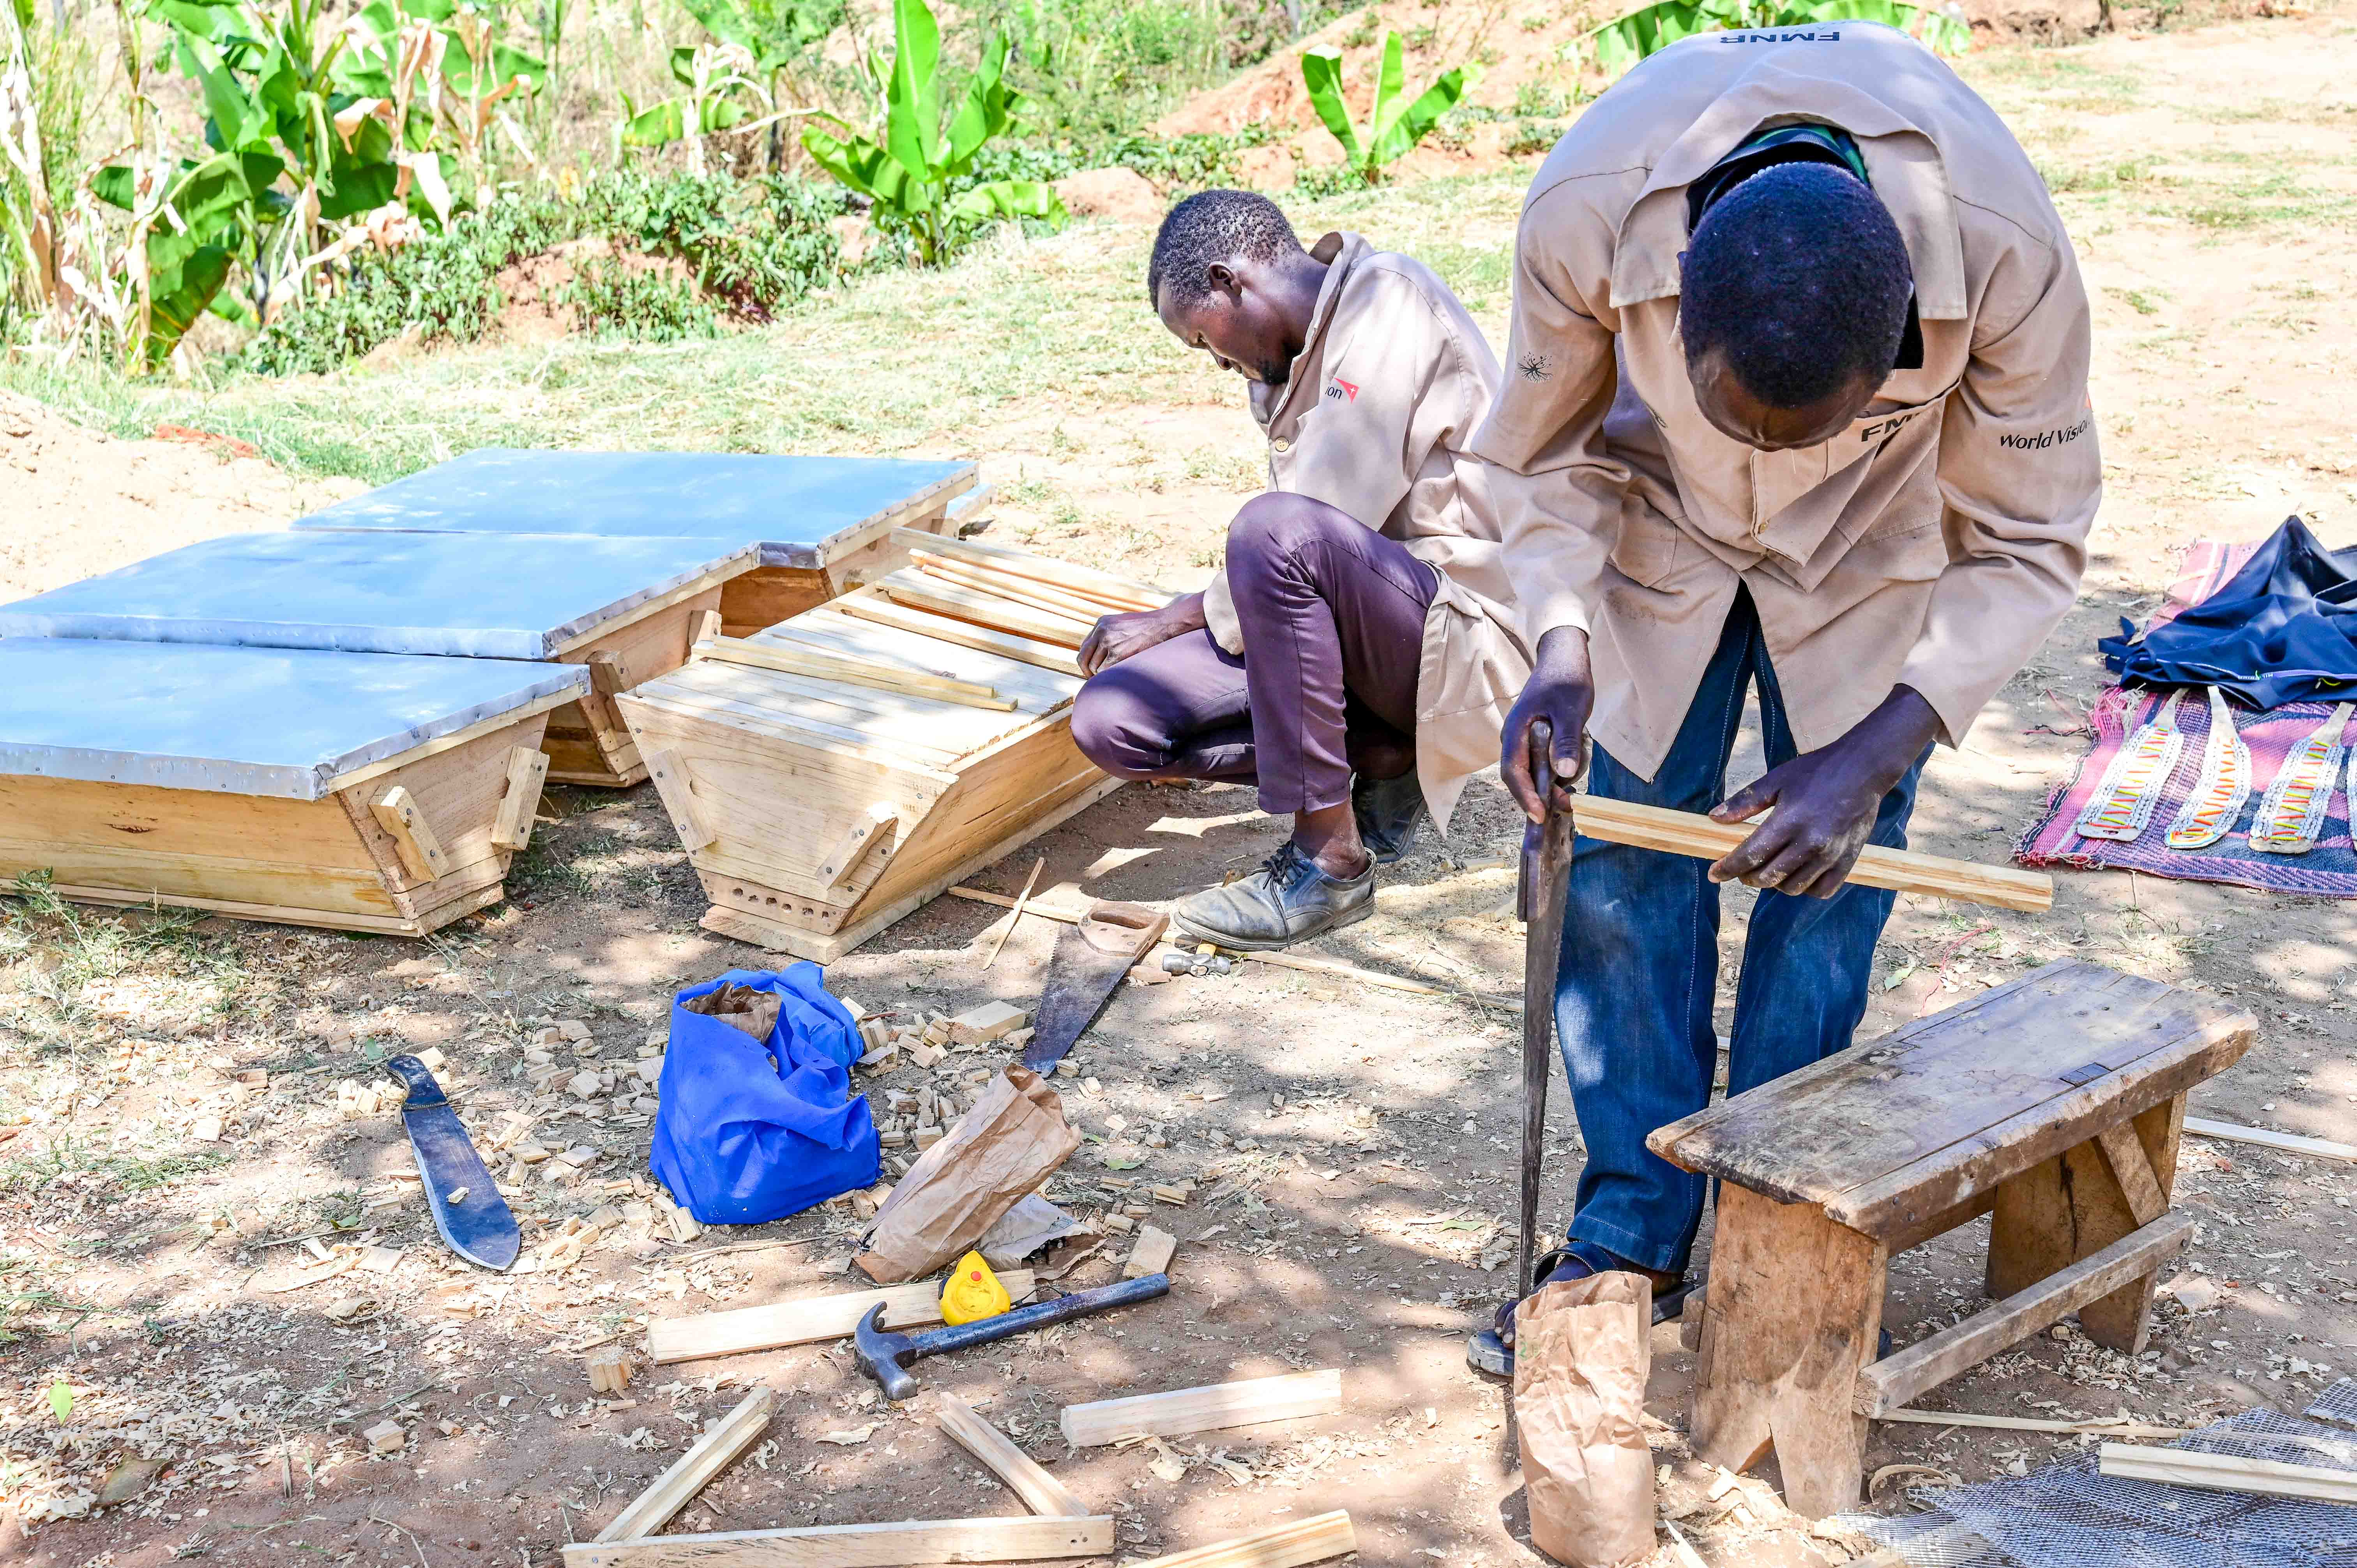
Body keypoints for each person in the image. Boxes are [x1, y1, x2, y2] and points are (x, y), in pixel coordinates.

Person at [1469, 22, 2099, 1372]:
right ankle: (1634, 1227)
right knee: (1616, 874)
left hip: (1874, 548)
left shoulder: (2003, 252)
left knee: (1822, 889)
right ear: (1674, 301)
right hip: (1653, 530)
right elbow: (1527, 461)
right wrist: (1561, 642)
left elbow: (2031, 539)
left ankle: (1769, 1215)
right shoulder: (1588, 211)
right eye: (1737, 412)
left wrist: (1872, 753)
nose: (1765, 461)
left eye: (1800, 420)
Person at [1069, 190, 1530, 950]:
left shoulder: (1388, 302)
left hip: (1465, 631)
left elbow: (1311, 513)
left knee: (1270, 533)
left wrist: (1171, 617)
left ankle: (1329, 864)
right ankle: (1389, 755)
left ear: (1230, 280)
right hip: (1367, 625)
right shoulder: (1297, 355)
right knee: (1114, 717)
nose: (1216, 361)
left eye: (1202, 339)